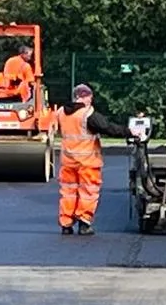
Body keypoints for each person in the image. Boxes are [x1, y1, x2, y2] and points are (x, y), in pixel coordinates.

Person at [52, 83, 144, 235]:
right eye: (90, 98)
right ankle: (84, 222)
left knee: (68, 193)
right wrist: (129, 132)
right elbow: (107, 127)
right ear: (86, 97)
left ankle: (66, 224)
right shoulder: (87, 114)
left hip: (68, 161)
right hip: (87, 161)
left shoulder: (62, 112)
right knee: (88, 192)